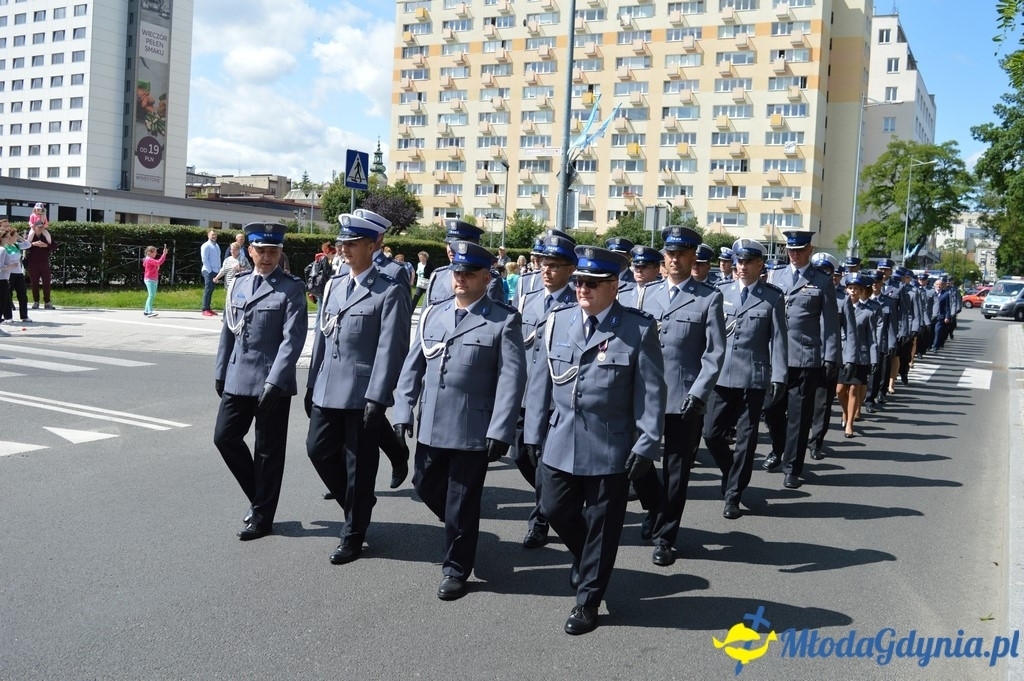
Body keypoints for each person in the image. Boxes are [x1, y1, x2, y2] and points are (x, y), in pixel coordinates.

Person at [524, 245, 666, 635]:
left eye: (591, 283)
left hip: (610, 445)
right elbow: (540, 383)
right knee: (554, 509)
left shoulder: (637, 328)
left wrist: (647, 443)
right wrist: (532, 432)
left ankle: (587, 602)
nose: (582, 289)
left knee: (603, 527)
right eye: (579, 282)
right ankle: (589, 558)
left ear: (613, 285)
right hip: (561, 439)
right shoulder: (558, 321)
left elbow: (652, 392)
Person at [393, 240, 526, 601]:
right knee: (424, 485)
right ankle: (460, 527)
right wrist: (403, 410)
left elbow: (512, 379)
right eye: (457, 272)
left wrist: (501, 428)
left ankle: (455, 567)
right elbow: (413, 366)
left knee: (463, 499)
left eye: (469, 273)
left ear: (486, 278)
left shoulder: (503, 320)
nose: (461, 278)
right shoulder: (433, 313)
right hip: (432, 422)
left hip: (472, 427)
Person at [304, 214, 410, 565]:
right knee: (317, 450)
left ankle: (353, 533)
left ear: (371, 245)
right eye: (342, 243)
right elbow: (322, 336)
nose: (344, 249)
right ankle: (358, 505)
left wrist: (379, 396)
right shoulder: (334, 285)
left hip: (362, 391)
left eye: (352, 243)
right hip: (328, 385)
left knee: (359, 466)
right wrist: (312, 382)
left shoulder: (388, 289)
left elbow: (392, 347)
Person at [213, 222, 308, 541]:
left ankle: (263, 517)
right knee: (225, 437)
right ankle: (260, 499)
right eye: (261, 251)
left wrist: (275, 381)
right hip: (238, 376)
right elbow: (229, 329)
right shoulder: (238, 283)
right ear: (250, 251)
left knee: (268, 451)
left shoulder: (290, 288)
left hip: (272, 382)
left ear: (280, 252)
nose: (267, 257)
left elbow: (292, 340)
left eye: (273, 252)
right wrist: (220, 371)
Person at [637, 225, 725, 566]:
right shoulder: (645, 294)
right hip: (645, 396)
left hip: (684, 398)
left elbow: (714, 353)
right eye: (670, 254)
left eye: (682, 254)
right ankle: (655, 507)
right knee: (636, 461)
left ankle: (665, 537)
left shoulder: (708, 298)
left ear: (692, 258)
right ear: (664, 257)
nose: (675, 260)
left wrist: (700, 393)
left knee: (676, 471)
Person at [703, 239, 787, 519]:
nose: (742, 266)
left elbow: (779, 340)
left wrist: (779, 376)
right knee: (711, 434)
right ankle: (731, 472)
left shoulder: (772, 297)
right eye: (739, 261)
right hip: (721, 375)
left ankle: (733, 495)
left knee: (746, 440)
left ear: (760, 265)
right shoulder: (720, 291)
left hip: (753, 377)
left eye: (748, 262)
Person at [763, 230, 840, 489]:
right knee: (770, 409)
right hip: (775, 356)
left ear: (809, 250)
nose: (794, 255)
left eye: (799, 250)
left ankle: (792, 467)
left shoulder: (822, 280)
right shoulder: (775, 276)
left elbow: (830, 323)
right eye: (791, 250)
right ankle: (778, 447)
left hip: (805, 357)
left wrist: (830, 356)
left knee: (799, 415)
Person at [514, 234, 577, 550]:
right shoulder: (528, 299)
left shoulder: (579, 303)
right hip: (526, 394)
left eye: (554, 266)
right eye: (543, 264)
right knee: (521, 456)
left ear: (570, 269)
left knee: (543, 460)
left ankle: (539, 520)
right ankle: (553, 499)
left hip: (556, 398)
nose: (546, 271)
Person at [806, 253, 850, 461]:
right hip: (805, 355)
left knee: (822, 404)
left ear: (835, 275)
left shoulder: (843, 299)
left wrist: (848, 359)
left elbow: (850, 332)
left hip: (828, 357)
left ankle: (816, 442)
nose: (824, 275)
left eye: (827, 272)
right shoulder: (804, 292)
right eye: (819, 271)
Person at [425, 219, 505, 306]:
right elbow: (426, 312)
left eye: (457, 244)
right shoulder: (437, 276)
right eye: (449, 244)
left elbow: (496, 312)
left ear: (473, 246)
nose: (450, 249)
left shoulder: (490, 280)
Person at [837, 273, 878, 439]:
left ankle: (849, 424)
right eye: (850, 288)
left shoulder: (868, 312)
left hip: (860, 356)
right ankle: (846, 412)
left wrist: (874, 359)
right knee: (840, 390)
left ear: (861, 291)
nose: (853, 291)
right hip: (841, 354)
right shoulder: (839, 308)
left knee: (854, 389)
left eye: (856, 288)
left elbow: (872, 338)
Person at [26, 205, 55, 310]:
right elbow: (25, 246)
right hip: (33, 263)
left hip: (44, 263)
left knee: (47, 282)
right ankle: (36, 301)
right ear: (35, 227)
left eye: (42, 227)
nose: (40, 229)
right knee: (34, 283)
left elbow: (54, 246)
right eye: (39, 227)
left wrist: (45, 245)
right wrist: (33, 244)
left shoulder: (45, 235)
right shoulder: (31, 235)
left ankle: (47, 302)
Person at [2, 221, 32, 323]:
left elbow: (28, 244)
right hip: (9, 274)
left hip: (18, 273)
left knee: (22, 295)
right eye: (14, 236)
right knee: (8, 295)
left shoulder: (16, 245)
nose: (16, 237)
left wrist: (20, 237)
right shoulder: (4, 248)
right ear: (9, 237)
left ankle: (24, 316)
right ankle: (8, 317)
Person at [141, 244, 169, 318]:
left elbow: (156, 263)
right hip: (150, 279)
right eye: (155, 252)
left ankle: (146, 311)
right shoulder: (149, 259)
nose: (156, 254)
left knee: (151, 296)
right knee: (151, 295)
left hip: (152, 279)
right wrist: (164, 254)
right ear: (149, 253)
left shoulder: (148, 259)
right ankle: (149, 311)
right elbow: (159, 262)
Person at [200, 230, 221, 317]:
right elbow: (204, 259)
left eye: (215, 235)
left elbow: (218, 258)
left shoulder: (216, 246)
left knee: (211, 289)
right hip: (208, 271)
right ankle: (204, 309)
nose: (214, 236)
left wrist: (218, 270)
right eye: (212, 235)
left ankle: (208, 308)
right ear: (208, 236)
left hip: (215, 271)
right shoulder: (206, 245)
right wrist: (210, 271)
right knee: (208, 289)